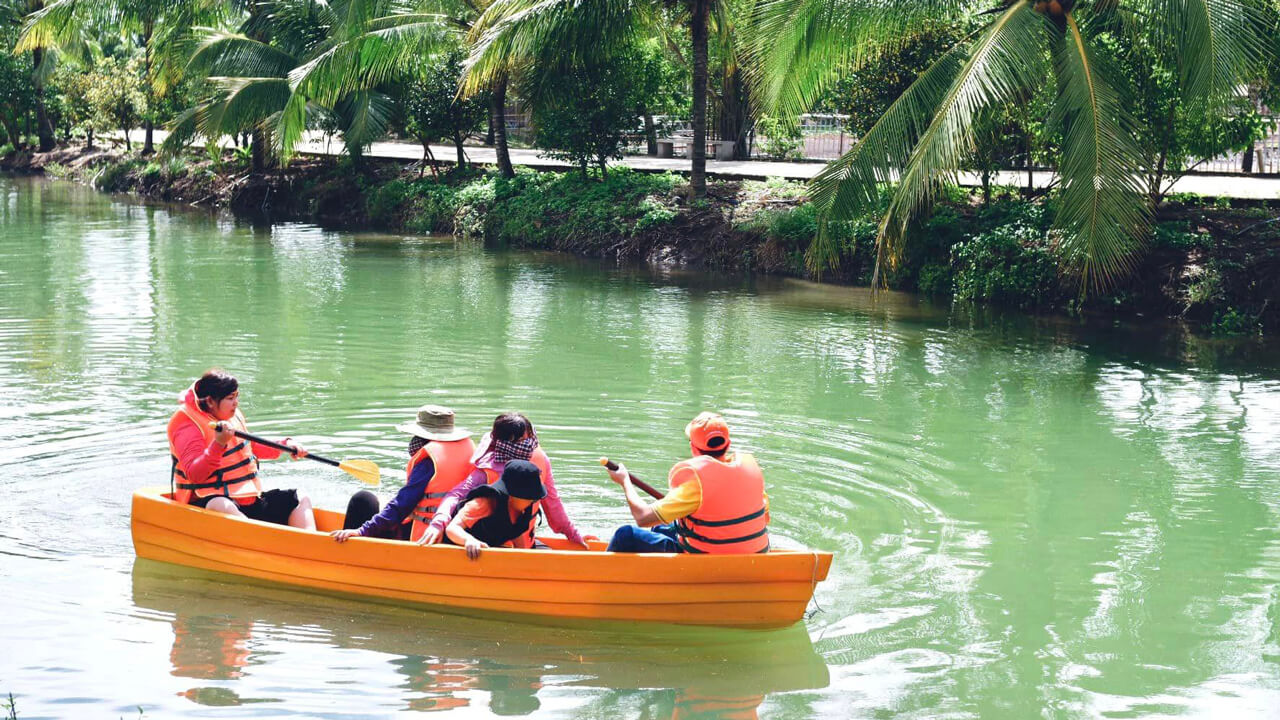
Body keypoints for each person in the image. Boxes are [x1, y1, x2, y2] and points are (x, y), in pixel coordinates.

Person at [166, 369, 316, 530]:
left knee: (299, 498)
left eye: (236, 396)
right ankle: (261, 542)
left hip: (248, 499)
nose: (236, 403)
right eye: (230, 398)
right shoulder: (187, 424)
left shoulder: (232, 415)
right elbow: (195, 474)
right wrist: (219, 444)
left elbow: (250, 447)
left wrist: (286, 444)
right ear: (210, 401)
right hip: (209, 503)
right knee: (220, 504)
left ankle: (312, 545)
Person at [417, 412, 590, 548]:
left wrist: (573, 534)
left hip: (522, 543)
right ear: (503, 442)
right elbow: (455, 495)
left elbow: (553, 503)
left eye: (529, 438)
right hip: (487, 546)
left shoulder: (539, 461)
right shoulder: (486, 470)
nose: (528, 444)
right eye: (521, 440)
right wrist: (438, 523)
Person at [605, 412, 769, 554]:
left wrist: (624, 481)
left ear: (693, 447)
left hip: (707, 561)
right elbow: (763, 518)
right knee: (661, 528)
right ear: (728, 444)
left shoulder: (695, 484)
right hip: (753, 555)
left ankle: (600, 577)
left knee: (625, 535)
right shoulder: (750, 471)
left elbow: (642, 517)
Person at [331, 405, 476, 543]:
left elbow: (402, 505)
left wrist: (362, 531)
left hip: (427, 536)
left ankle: (348, 554)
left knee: (362, 500)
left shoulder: (428, 460)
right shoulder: (469, 447)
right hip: (460, 529)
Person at [445, 460, 546, 560]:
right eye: (530, 497)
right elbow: (452, 528)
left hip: (486, 555)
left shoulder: (520, 509)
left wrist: (523, 557)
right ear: (513, 495)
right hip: (459, 554)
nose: (533, 501)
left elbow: (515, 532)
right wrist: (469, 540)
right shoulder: (483, 503)